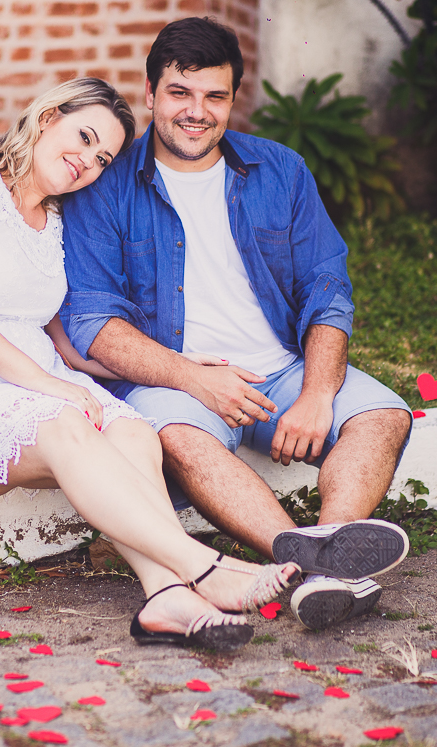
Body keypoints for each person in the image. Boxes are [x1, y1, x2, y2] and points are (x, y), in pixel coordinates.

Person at [0, 77, 308, 651]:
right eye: (85, 138)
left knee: (131, 432)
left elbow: (57, 336)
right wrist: (48, 385)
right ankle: (202, 567)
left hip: (22, 378)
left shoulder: (52, 217)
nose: (88, 164)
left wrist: (158, 365)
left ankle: (164, 597)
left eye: (103, 159)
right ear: (47, 116)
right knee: (66, 424)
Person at [60, 18, 414, 632]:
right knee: (182, 441)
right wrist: (196, 380)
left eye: (214, 96)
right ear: (150, 93)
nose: (196, 112)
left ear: (233, 99)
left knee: (382, 417)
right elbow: (94, 323)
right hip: (172, 379)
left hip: (281, 368)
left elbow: (327, 288)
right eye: (179, 93)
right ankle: (304, 565)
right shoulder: (106, 186)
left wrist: (318, 391)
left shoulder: (280, 171)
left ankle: (326, 557)